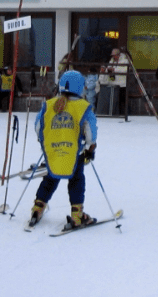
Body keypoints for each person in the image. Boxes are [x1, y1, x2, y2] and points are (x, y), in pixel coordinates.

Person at [28, 70, 98, 229]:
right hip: (75, 152)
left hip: (53, 151)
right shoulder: (83, 107)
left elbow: (38, 126)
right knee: (76, 180)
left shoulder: (49, 104)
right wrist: (90, 149)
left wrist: (44, 142)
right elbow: (90, 131)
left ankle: (37, 208)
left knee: (50, 178)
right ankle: (77, 215)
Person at [97, 47, 129, 116]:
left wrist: (114, 70)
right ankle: (115, 114)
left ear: (118, 55)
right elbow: (109, 69)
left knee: (122, 101)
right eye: (112, 56)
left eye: (114, 56)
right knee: (115, 101)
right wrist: (105, 70)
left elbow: (126, 70)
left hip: (122, 85)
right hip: (113, 84)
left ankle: (124, 115)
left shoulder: (125, 60)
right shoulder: (112, 61)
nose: (113, 57)